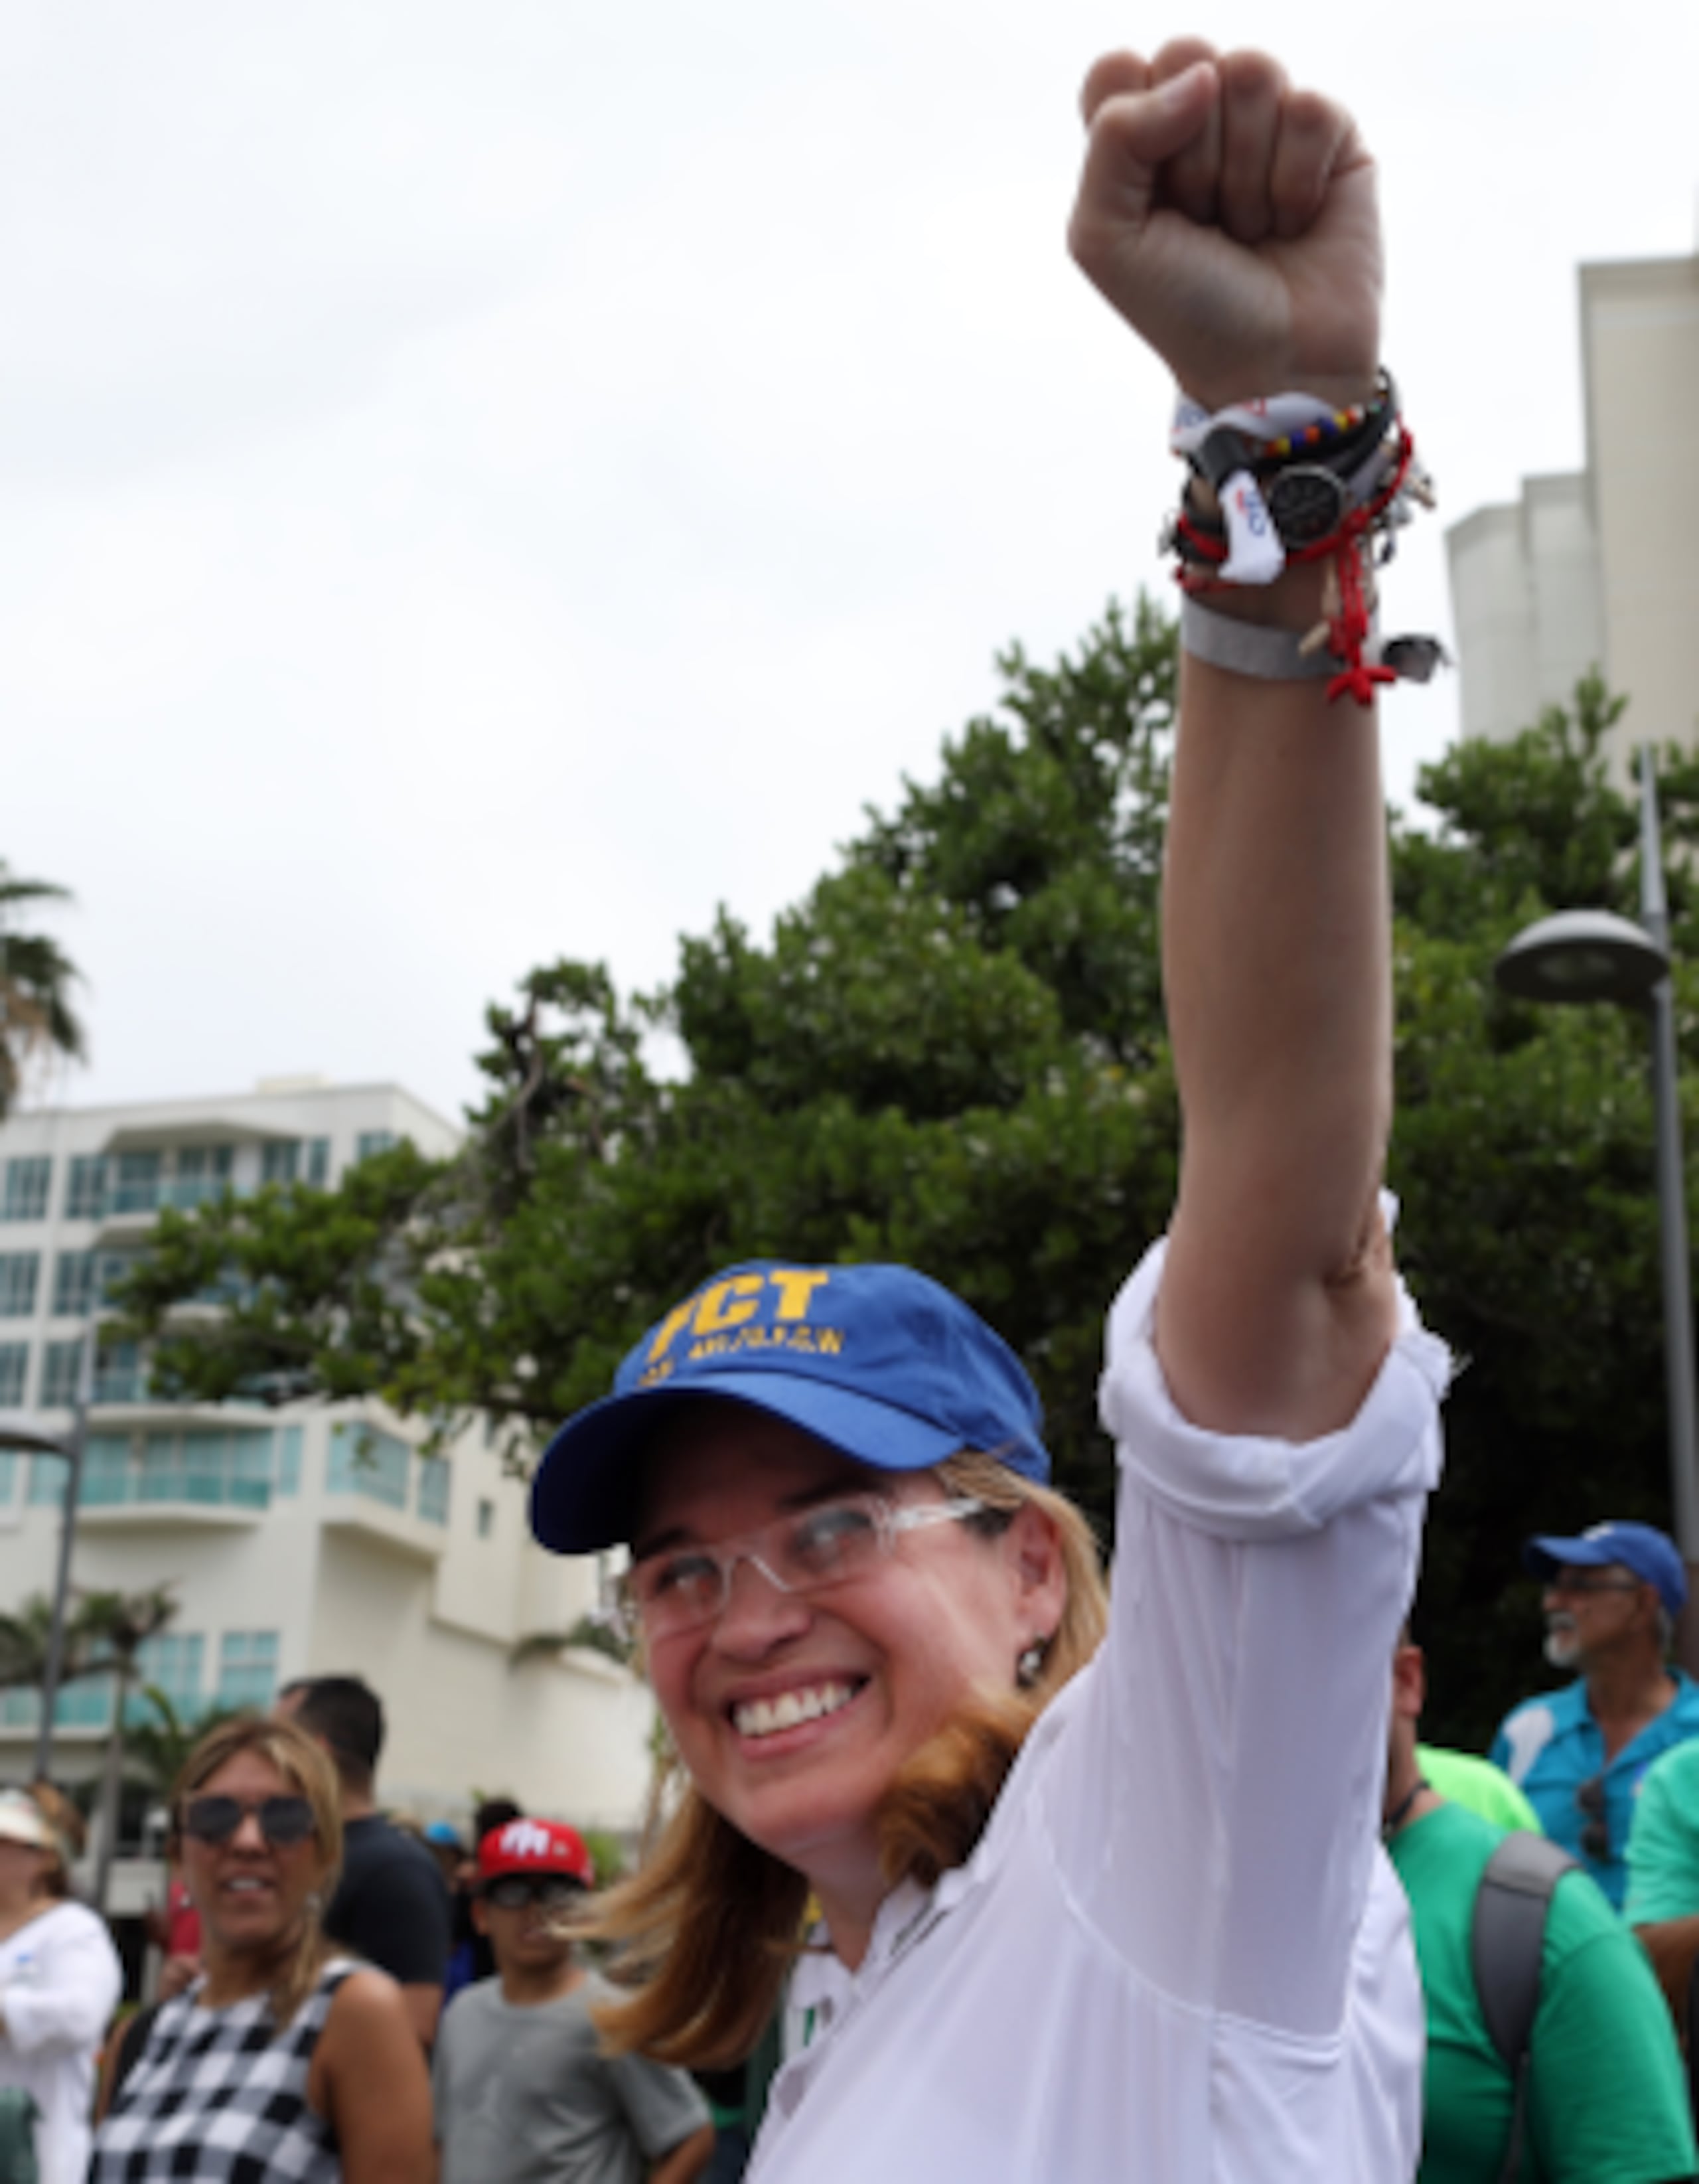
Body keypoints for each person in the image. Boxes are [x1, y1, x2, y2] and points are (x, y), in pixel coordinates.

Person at [526, 41, 1450, 2181]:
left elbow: (1284, 1242)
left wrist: (1277, 454)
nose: (735, 1614)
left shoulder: (1151, 1860)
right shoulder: (862, 1985)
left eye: (829, 1525)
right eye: (674, 1565)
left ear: (1033, 1567)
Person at [1385, 1630, 1695, 2183]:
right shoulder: (1532, 1727)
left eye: (1588, 1583)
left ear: (1406, 1681)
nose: (1561, 1598)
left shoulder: (1542, 1913)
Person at [90, 1713, 432, 2183]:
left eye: (286, 1819)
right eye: (215, 1817)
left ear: (325, 1855)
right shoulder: (140, 2039)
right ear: (178, 1855)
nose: (248, 1841)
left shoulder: (353, 2012)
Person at [434, 1816, 713, 2184]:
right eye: (512, 1892)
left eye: (557, 1893)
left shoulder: (612, 2016)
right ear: (481, 1915)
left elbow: (690, 2136)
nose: (535, 1911)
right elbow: (439, 2138)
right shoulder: (462, 2012)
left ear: (584, 1911)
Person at [1490, 1521, 1699, 1908]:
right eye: (1555, 1587)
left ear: (1643, 1604)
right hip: (1543, 1969)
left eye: (1581, 1586)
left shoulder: (1694, 1736)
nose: (1552, 1603)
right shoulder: (1527, 1731)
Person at [275, 1676, 451, 2043]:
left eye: (280, 1743)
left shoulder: (396, 1870)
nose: (266, 1759)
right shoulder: (294, 1853)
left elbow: (416, 2024)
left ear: (317, 1753)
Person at [0, 1781, 121, 2184]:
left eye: (4, 1841)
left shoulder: (74, 1931)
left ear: (45, 1859)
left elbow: (81, 2016)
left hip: (39, 2161)